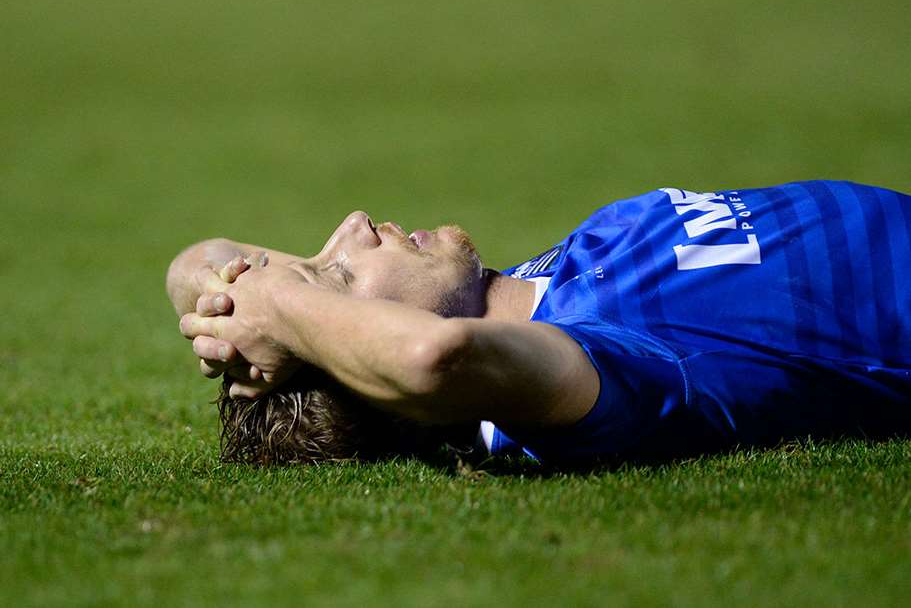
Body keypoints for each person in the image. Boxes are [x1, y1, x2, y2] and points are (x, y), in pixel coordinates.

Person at [167, 180, 911, 464]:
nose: (353, 222)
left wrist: (245, 302)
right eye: (338, 271)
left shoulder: (531, 284)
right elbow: (432, 358)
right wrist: (286, 308)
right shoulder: (596, 365)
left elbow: (196, 259)